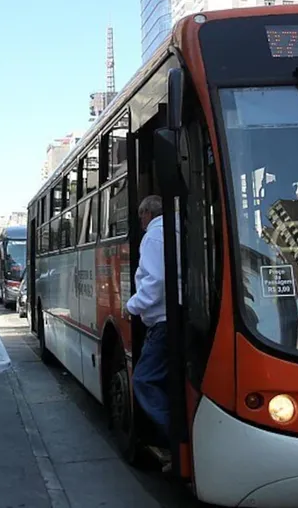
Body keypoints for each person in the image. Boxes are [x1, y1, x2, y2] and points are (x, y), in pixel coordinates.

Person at [123, 195, 181, 460]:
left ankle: (173, 437)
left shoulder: (155, 235)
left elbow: (155, 279)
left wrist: (133, 306)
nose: (141, 222)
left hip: (163, 321)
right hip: (178, 316)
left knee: (144, 379)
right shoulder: (179, 226)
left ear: (147, 213)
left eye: (140, 216)